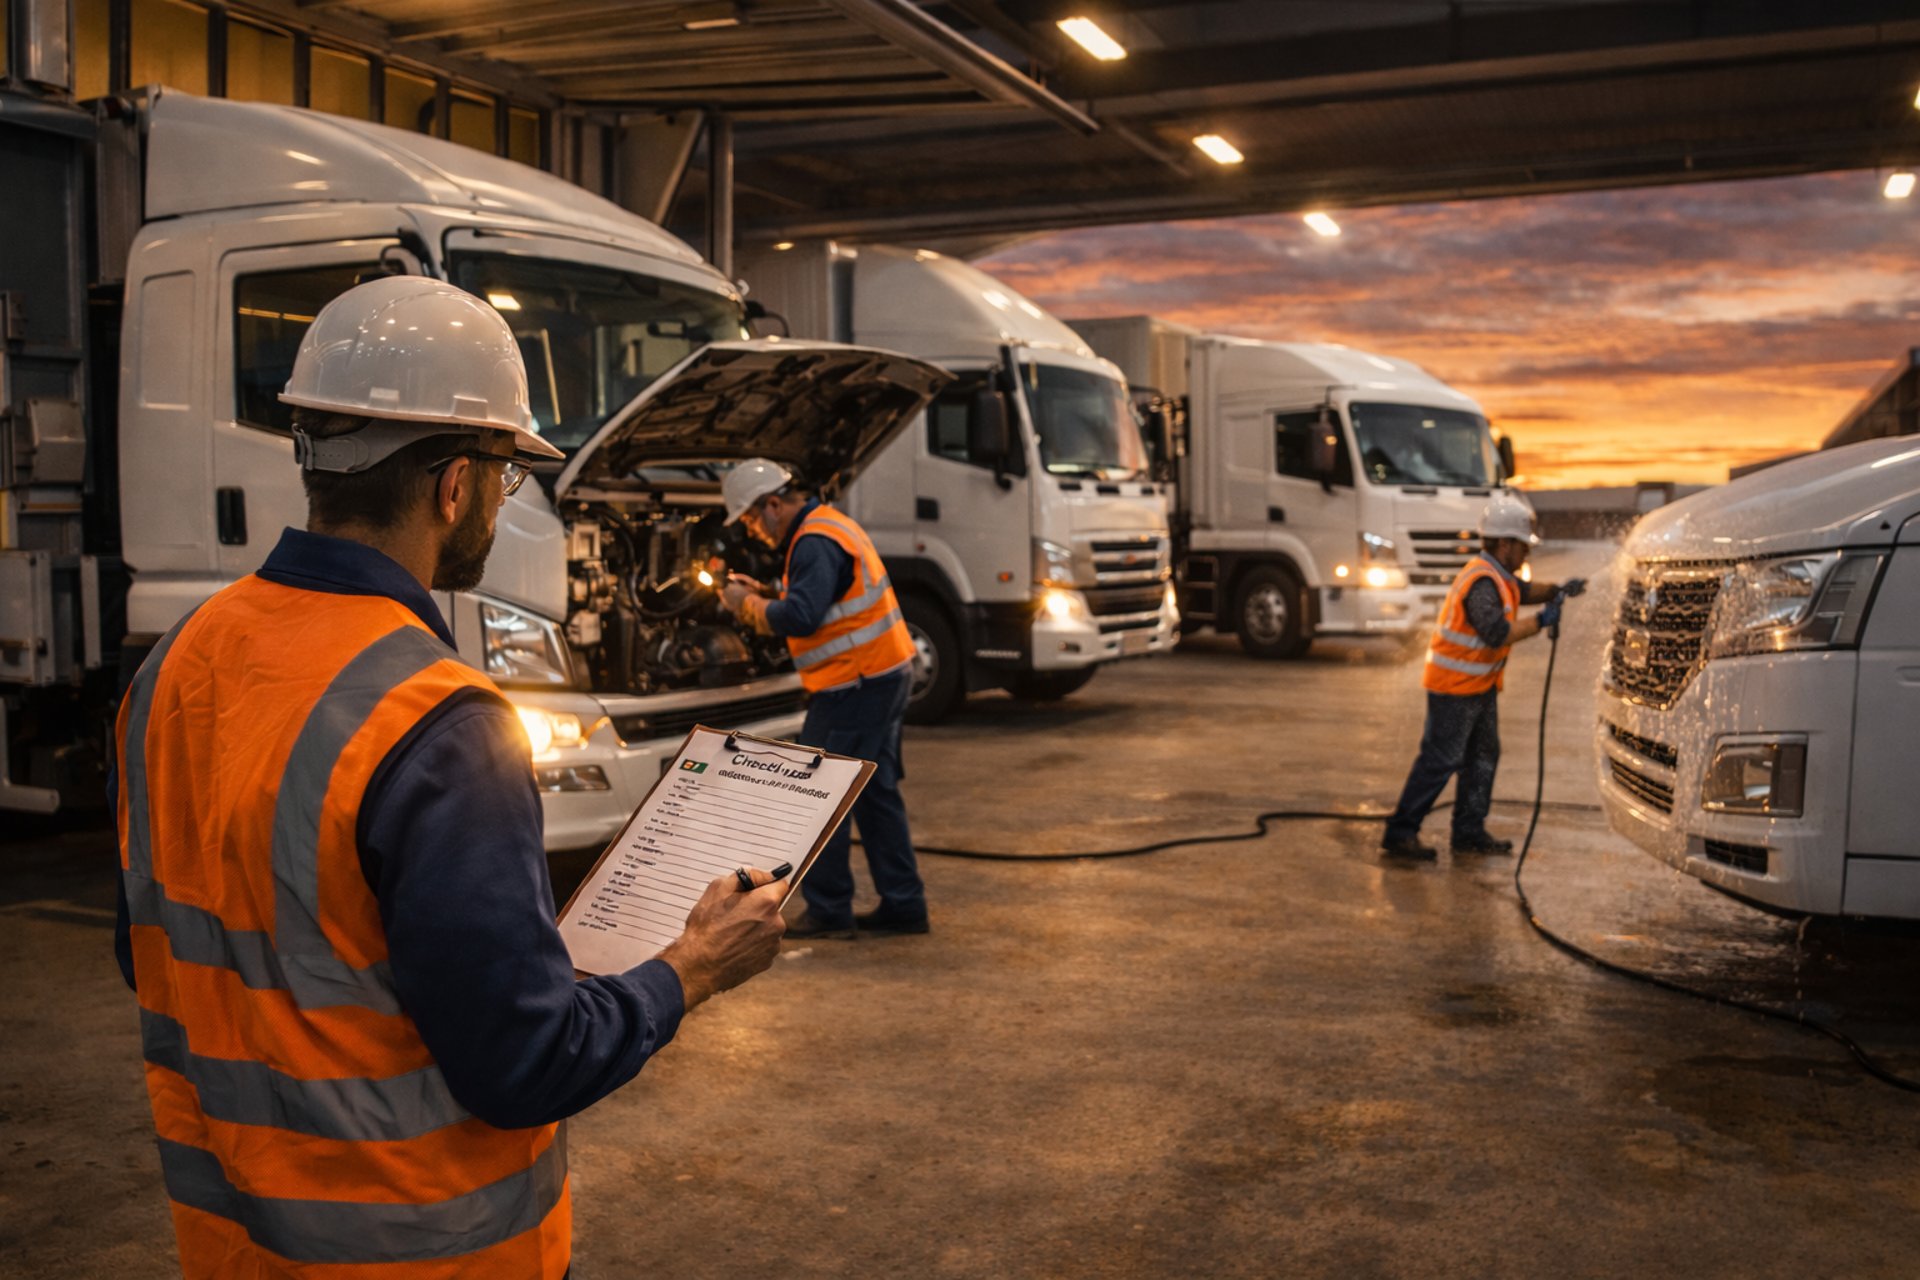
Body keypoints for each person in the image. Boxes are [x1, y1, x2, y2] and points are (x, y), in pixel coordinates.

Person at [111, 276, 786, 1276]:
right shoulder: (439, 719)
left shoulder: (176, 660)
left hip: (231, 1243)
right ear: (456, 485)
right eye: (508, 476)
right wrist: (689, 967)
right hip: (426, 1251)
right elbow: (525, 1061)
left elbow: (157, 951)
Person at [718, 459, 930, 939]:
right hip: (883, 673)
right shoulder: (827, 526)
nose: (753, 530)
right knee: (876, 795)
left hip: (852, 687)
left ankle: (831, 910)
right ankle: (904, 904)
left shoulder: (812, 541)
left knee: (819, 799)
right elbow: (820, 598)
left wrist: (746, 605)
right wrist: (770, 591)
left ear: (773, 504)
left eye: (752, 518)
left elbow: (802, 616)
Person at [1380, 492, 1585, 860]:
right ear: (1504, 543)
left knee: (1483, 756)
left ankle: (1469, 831)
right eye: (1522, 546)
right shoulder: (1481, 582)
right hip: (1455, 689)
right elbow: (1496, 633)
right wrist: (1540, 622)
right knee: (1441, 760)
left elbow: (1523, 591)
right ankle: (1401, 832)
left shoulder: (1500, 575)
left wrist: (1556, 591)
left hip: (1479, 687)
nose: (1527, 554)